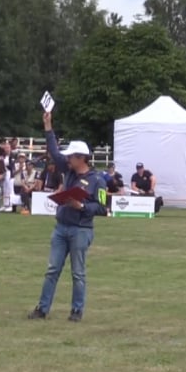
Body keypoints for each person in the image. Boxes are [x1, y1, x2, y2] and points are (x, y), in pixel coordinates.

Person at [28, 111, 107, 322]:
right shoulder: (69, 170)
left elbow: (102, 208)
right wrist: (48, 126)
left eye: (71, 156)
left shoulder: (98, 180)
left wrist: (81, 206)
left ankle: (76, 311)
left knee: (78, 273)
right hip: (61, 228)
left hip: (81, 230)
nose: (67, 159)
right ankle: (42, 309)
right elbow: (54, 152)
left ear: (81, 158)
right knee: (52, 270)